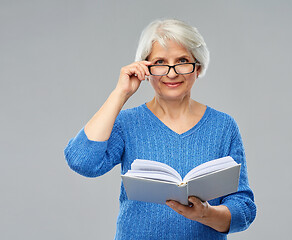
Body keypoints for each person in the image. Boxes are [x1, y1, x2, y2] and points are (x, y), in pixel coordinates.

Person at [64, 18, 256, 240]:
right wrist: (120, 93)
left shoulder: (223, 126)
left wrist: (205, 213)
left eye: (182, 60)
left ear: (198, 67)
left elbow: (243, 209)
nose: (171, 73)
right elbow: (82, 161)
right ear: (145, 68)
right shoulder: (127, 123)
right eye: (160, 62)